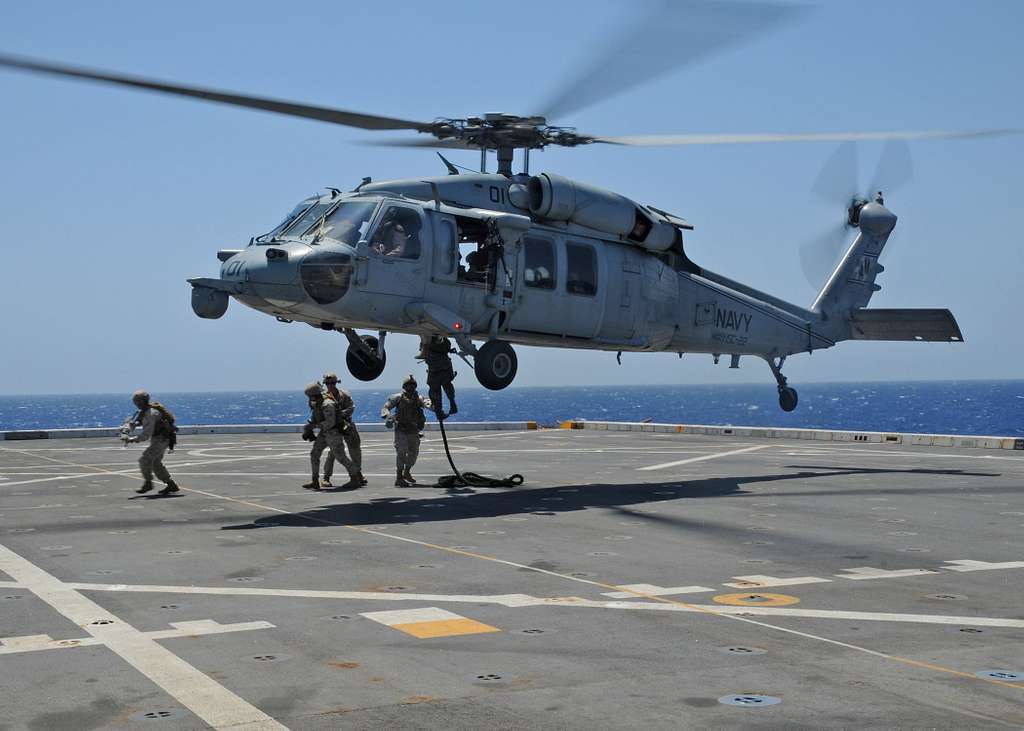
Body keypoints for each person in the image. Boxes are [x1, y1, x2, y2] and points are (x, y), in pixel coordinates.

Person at [302, 382, 360, 491]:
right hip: (324, 433)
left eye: (310, 396)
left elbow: (330, 422)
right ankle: (315, 481)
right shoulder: (317, 403)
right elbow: (315, 417)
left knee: (341, 457)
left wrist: (314, 425)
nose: (309, 399)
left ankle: (355, 478)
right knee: (314, 454)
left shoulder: (328, 404)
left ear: (314, 394)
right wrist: (308, 428)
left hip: (333, 433)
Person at [126, 390, 179, 496]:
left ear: (140, 401)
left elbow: (146, 434)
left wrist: (132, 439)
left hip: (161, 439)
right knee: (155, 463)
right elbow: (140, 422)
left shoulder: (150, 413)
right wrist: (133, 424)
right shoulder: (146, 411)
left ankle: (148, 483)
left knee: (144, 460)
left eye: (136, 401)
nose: (135, 404)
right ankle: (171, 485)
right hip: (161, 439)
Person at [381, 375, 431, 487]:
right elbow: (386, 407)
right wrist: (388, 416)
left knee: (414, 453)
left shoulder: (419, 398)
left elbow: (428, 404)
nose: (411, 387)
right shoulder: (398, 397)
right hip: (401, 429)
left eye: (413, 385)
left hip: (414, 429)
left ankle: (407, 471)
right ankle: (399, 477)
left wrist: (437, 408)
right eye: (409, 385)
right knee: (401, 452)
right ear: (405, 386)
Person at [321, 372, 366, 487]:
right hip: (333, 428)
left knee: (355, 449)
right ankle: (326, 477)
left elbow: (352, 407)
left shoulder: (344, 395)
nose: (330, 385)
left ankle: (358, 473)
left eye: (332, 383)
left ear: (336, 383)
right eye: (328, 383)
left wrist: (340, 414)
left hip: (347, 425)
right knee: (333, 452)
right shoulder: (323, 397)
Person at [417, 335, 458, 419]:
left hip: (440, 369)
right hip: (436, 369)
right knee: (438, 390)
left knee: (442, 389)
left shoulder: (435, 338)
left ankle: (447, 407)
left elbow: (444, 346)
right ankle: (441, 411)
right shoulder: (429, 339)